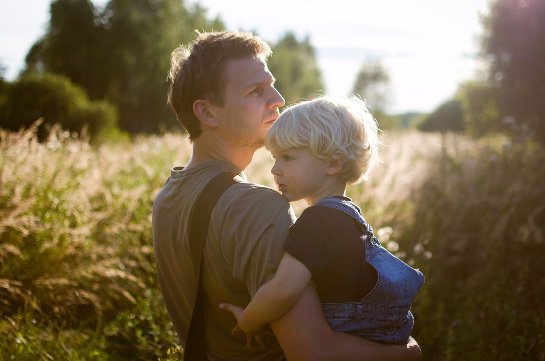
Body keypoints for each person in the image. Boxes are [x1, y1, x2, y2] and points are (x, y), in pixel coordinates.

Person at [152, 30, 421, 360]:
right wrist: (408, 354)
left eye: (272, 84)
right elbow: (313, 351)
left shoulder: (169, 196)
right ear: (207, 113)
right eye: (256, 91)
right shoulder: (257, 207)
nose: (278, 98)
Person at [219, 96, 425, 345]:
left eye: (288, 157)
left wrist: (248, 321)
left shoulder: (319, 222)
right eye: (275, 158)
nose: (275, 169)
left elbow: (283, 289)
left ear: (333, 163)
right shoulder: (347, 216)